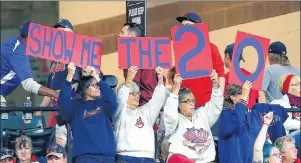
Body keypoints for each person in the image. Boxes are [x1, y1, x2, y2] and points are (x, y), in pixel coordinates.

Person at [58, 62, 117, 163]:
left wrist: (96, 76)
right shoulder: (75, 106)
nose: (98, 87)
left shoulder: (104, 104)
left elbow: (112, 99)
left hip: (107, 157)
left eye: (98, 85)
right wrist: (70, 75)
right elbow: (63, 101)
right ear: (85, 88)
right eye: (94, 85)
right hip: (85, 157)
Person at [36, 18, 80, 148]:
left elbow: (77, 85)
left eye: (62, 33)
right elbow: (50, 90)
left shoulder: (77, 55)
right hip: (57, 110)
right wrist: (39, 112)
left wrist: (60, 94)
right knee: (55, 148)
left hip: (71, 109)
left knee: (63, 148)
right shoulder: (54, 59)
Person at [164, 69, 223, 163]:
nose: (191, 104)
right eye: (187, 101)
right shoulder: (176, 120)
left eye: (192, 100)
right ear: (179, 105)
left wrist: (215, 84)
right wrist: (175, 89)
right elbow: (170, 114)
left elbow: (216, 105)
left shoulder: (202, 114)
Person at [114, 66, 167, 163]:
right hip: (126, 157)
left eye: (138, 93)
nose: (137, 96)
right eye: (133, 93)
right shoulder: (119, 113)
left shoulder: (145, 111)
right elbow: (121, 99)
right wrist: (128, 80)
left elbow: (158, 99)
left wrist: (160, 80)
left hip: (148, 158)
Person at [0, 21, 59, 106]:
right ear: (29, 38)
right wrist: (54, 94)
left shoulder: (13, 43)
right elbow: (28, 84)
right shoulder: (19, 51)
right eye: (38, 38)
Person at [176, 12, 225, 107]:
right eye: (182, 26)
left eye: (187, 25)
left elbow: (221, 76)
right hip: (186, 105)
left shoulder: (211, 48)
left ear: (198, 27)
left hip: (207, 105)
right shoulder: (181, 51)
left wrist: (218, 101)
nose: (184, 28)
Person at [218, 81, 262, 163]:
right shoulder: (226, 114)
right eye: (242, 93)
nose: (246, 96)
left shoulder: (252, 114)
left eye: (247, 93)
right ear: (232, 97)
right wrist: (243, 99)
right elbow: (237, 122)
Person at [118, 22, 159, 107]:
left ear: (131, 35)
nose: (119, 35)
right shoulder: (148, 51)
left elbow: (134, 85)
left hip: (143, 107)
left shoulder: (133, 55)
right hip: (154, 104)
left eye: (122, 33)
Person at [223, 43, 259, 108]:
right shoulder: (251, 76)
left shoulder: (225, 77)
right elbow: (256, 100)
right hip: (250, 114)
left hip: (235, 115)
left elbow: (224, 102)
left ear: (227, 56)